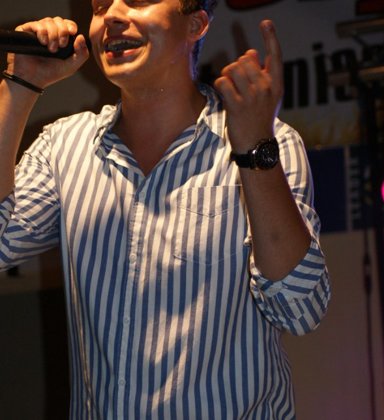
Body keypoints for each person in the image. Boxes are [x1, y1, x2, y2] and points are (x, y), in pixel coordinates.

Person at [0, 0, 331, 418]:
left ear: (195, 24)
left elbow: (300, 310)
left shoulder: (267, 141)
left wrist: (253, 150)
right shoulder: (65, 146)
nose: (112, 15)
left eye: (138, 0)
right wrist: (20, 85)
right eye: (100, 6)